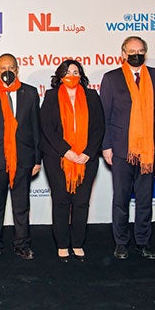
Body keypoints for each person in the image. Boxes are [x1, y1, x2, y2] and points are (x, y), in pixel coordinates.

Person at [100, 36, 155, 260]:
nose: (136, 54)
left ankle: (143, 241)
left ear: (145, 53)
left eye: (140, 50)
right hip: (121, 149)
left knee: (145, 199)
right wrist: (106, 146)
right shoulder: (111, 78)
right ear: (123, 54)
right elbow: (104, 116)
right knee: (121, 198)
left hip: (149, 148)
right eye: (131, 51)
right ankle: (121, 242)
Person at [0, 53, 42, 260]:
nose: (7, 71)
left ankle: (22, 244)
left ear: (17, 69)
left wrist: (37, 159)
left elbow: (35, 127)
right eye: (2, 68)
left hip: (23, 158)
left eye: (11, 67)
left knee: (21, 204)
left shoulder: (30, 93)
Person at [40, 60, 105, 262]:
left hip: (87, 158)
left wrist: (88, 152)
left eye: (76, 71)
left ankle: (77, 243)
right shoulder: (51, 97)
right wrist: (65, 151)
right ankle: (62, 244)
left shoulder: (92, 96)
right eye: (67, 72)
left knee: (81, 202)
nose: (72, 75)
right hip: (57, 158)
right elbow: (46, 127)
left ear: (82, 75)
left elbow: (99, 127)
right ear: (60, 76)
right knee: (60, 201)